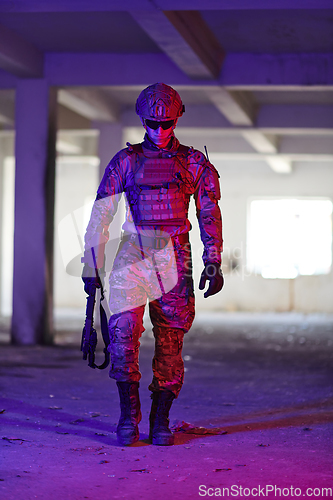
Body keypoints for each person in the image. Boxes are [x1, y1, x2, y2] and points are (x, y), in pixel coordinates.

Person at [82, 83, 223, 446]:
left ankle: (161, 421)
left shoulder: (194, 163)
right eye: (152, 123)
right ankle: (129, 417)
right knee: (123, 337)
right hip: (134, 253)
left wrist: (213, 259)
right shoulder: (126, 161)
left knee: (171, 341)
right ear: (142, 120)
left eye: (167, 123)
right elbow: (102, 215)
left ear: (178, 119)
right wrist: (92, 264)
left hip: (176, 256)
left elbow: (209, 212)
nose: (160, 131)